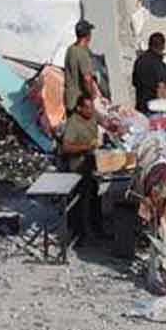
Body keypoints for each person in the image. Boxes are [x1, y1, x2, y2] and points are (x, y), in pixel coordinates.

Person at [59, 94, 103, 242]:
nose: (91, 111)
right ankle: (80, 233)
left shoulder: (91, 116)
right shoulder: (73, 123)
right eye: (88, 108)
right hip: (78, 166)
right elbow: (66, 147)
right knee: (82, 200)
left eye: (92, 108)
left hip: (92, 163)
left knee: (96, 197)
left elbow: (104, 122)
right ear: (79, 108)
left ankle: (97, 227)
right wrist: (86, 147)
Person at [132, 32, 166, 114]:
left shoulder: (139, 61)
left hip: (140, 108)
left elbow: (134, 82)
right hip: (154, 110)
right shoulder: (159, 64)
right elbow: (161, 89)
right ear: (162, 46)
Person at [63, 20, 96, 117]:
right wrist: (91, 95)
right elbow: (87, 79)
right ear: (88, 35)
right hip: (80, 103)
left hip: (70, 100)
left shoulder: (71, 49)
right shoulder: (82, 54)